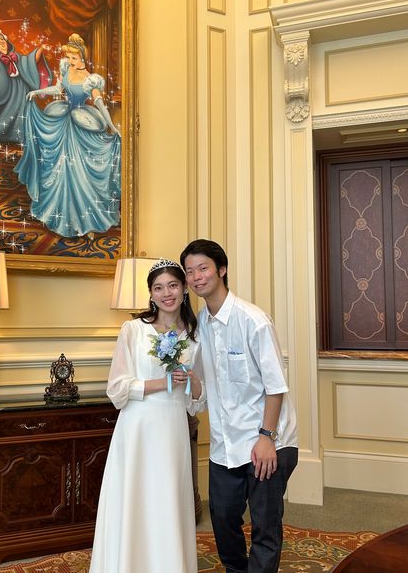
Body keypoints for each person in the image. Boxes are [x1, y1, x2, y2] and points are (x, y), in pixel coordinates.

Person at [180, 239, 298, 573]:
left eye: (203, 268)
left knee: (265, 525)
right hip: (226, 443)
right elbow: (205, 387)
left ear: (221, 269)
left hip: (267, 439)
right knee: (222, 517)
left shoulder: (253, 320)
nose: (196, 277)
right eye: (190, 272)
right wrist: (188, 378)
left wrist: (266, 437)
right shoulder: (199, 326)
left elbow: (275, 387)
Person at [89, 258, 206, 573]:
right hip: (138, 427)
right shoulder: (134, 330)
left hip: (173, 427)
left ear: (184, 289)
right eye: (158, 288)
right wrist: (162, 383)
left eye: (173, 285)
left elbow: (197, 401)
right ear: (151, 294)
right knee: (137, 498)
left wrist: (192, 381)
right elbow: (117, 389)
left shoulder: (195, 336)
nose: (166, 293)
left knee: (168, 498)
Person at [13, 33, 121, 238]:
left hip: (82, 125)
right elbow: (58, 88)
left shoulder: (91, 79)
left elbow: (100, 104)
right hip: (64, 119)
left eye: (74, 57)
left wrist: (111, 126)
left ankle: (87, 221)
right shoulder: (66, 69)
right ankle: (59, 212)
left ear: (82, 58)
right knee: (60, 168)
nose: (70, 60)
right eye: (68, 57)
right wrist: (37, 92)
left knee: (81, 172)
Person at [0, 17, 52, 143]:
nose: (1, 42)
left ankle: (20, 130)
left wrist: (41, 48)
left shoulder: (16, 57)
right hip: (2, 95)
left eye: (3, 39)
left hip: (20, 96)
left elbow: (30, 62)